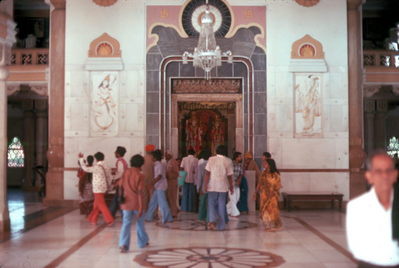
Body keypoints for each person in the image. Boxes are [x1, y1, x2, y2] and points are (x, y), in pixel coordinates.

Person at [346, 151, 399, 267]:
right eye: (378, 172)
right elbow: (357, 248)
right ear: (369, 176)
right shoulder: (357, 207)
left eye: (388, 171)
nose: (384, 176)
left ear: (395, 175)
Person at [118, 154, 149, 252]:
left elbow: (120, 186)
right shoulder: (140, 175)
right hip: (137, 203)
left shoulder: (126, 172)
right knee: (140, 223)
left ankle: (123, 244)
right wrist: (140, 207)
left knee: (126, 223)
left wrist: (120, 198)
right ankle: (142, 242)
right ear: (141, 164)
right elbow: (140, 192)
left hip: (126, 203)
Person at [78, 152, 114, 226]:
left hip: (98, 189)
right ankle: (92, 218)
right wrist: (109, 186)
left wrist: (81, 159)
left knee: (101, 204)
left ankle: (109, 219)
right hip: (104, 188)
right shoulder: (106, 166)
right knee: (96, 204)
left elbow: (85, 168)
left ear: (96, 159)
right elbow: (110, 177)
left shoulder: (97, 167)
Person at [204, 145, 234, 231]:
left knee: (211, 205)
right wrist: (231, 187)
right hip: (223, 186)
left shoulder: (211, 159)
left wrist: (205, 185)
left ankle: (212, 222)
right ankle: (221, 226)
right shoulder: (228, 161)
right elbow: (230, 176)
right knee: (221, 205)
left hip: (212, 186)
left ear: (216, 151)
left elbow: (207, 173)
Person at [145, 149, 173, 224]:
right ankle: (148, 216)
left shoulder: (158, 165)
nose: (151, 158)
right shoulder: (158, 164)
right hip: (158, 186)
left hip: (160, 186)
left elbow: (159, 176)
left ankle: (167, 217)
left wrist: (151, 183)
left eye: (152, 156)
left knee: (162, 203)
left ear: (155, 157)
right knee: (153, 202)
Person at [256, 158, 282, 231]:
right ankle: (267, 225)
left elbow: (277, 185)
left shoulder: (275, 175)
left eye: (265, 163)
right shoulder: (263, 173)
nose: (264, 164)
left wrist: (273, 192)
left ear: (270, 165)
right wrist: (256, 192)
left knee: (272, 210)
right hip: (264, 194)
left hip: (272, 195)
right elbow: (259, 183)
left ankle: (272, 225)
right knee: (264, 210)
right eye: (264, 163)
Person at [109, 146, 128, 218]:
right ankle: (111, 214)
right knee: (117, 198)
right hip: (123, 182)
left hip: (120, 182)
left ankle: (113, 214)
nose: (114, 153)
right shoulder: (123, 161)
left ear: (118, 154)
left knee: (118, 198)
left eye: (115, 152)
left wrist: (113, 178)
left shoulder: (120, 161)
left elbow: (120, 173)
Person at [197, 150, 211, 222]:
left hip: (203, 186)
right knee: (210, 203)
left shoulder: (201, 165)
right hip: (212, 187)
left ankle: (201, 216)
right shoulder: (212, 164)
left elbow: (199, 177)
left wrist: (198, 188)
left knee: (202, 202)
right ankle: (209, 217)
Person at [227, 152, 243, 217]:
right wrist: (232, 182)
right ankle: (235, 213)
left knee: (237, 198)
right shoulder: (231, 164)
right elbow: (229, 174)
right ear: (236, 157)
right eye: (240, 156)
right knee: (233, 198)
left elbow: (241, 174)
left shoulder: (240, 165)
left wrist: (238, 180)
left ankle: (226, 210)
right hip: (231, 183)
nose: (241, 158)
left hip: (237, 183)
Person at [165, 152, 179, 218]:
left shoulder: (172, 162)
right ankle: (173, 211)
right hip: (170, 182)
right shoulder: (169, 162)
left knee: (172, 198)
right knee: (170, 198)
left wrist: (167, 174)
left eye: (166, 155)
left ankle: (173, 213)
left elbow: (171, 173)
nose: (165, 156)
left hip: (172, 182)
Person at [142, 144, 155, 213]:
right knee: (152, 197)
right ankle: (153, 213)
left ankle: (145, 211)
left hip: (144, 180)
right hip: (152, 181)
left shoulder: (143, 158)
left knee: (145, 197)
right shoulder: (154, 159)